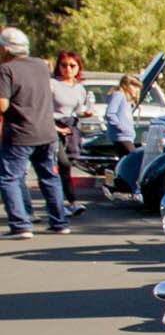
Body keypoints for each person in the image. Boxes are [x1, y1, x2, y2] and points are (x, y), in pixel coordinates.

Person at [0, 27, 70, 238]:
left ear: (4, 48)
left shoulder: (6, 69)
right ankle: (59, 222)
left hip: (20, 133)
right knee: (49, 177)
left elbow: (2, 105)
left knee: (9, 178)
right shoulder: (40, 65)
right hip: (47, 132)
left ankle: (20, 224)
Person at [49, 50, 91, 216]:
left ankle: (71, 203)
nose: (68, 69)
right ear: (58, 67)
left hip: (71, 127)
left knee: (67, 167)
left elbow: (78, 109)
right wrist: (56, 127)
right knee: (61, 164)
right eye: (64, 65)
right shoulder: (52, 84)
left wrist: (85, 113)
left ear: (78, 68)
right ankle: (60, 203)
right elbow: (44, 108)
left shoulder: (79, 88)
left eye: (72, 65)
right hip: (54, 126)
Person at [104, 72, 140, 156]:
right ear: (126, 85)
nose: (136, 89)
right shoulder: (119, 95)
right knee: (133, 158)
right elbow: (110, 113)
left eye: (137, 87)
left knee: (125, 159)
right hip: (121, 136)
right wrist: (122, 128)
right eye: (134, 86)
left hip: (126, 136)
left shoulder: (126, 99)